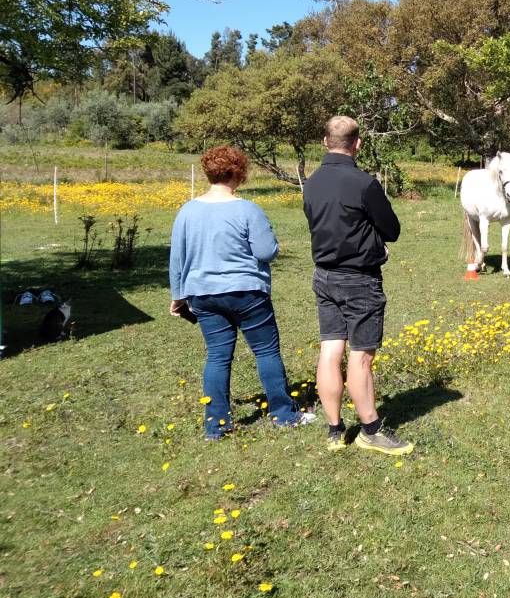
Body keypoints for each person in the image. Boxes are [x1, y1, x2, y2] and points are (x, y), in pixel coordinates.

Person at [169, 146, 314, 440]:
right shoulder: (248, 209)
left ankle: (217, 425)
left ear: (209, 172)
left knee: (218, 357)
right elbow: (265, 251)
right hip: (248, 292)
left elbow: (178, 258)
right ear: (239, 173)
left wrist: (178, 295)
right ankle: (284, 414)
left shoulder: (187, 210)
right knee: (266, 351)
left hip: (203, 295)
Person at [303, 115, 412, 455]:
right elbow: (391, 229)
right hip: (358, 279)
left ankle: (335, 430)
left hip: (323, 276)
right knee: (361, 356)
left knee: (330, 350)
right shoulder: (364, 183)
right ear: (358, 144)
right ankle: (370, 430)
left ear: (325, 142)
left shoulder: (312, 182)